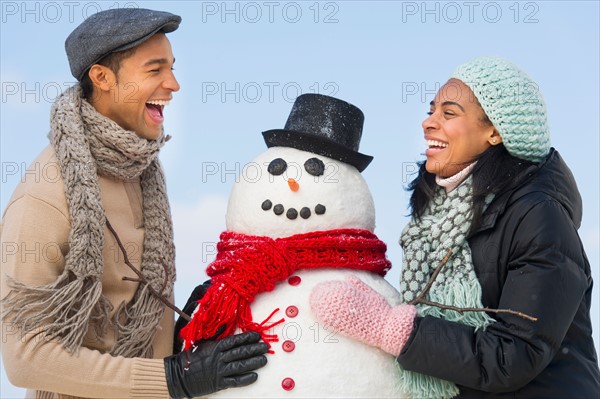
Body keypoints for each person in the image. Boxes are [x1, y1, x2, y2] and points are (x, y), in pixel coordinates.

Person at [0, 8, 267, 399]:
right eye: (155, 69)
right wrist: (174, 379)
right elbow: (25, 357)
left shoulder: (142, 171)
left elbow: (124, 315)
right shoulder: (46, 193)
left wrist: (180, 332)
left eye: (172, 67)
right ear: (103, 78)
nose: (173, 83)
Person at [309, 56, 600, 398]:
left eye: (448, 114)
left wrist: (393, 329)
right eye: (431, 110)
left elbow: (513, 356)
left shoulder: (538, 216)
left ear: (494, 132)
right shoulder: (438, 217)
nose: (427, 123)